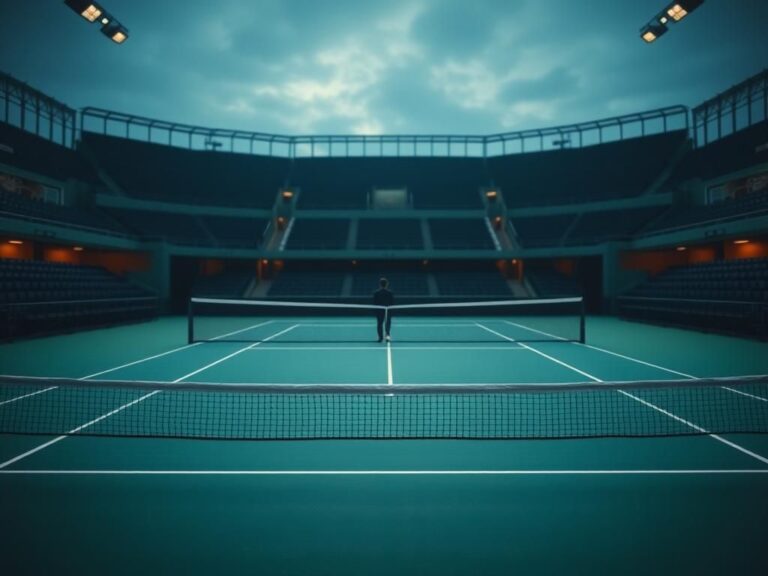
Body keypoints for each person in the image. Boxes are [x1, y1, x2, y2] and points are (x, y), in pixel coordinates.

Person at [373, 277, 393, 342]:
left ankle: (380, 338)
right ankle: (387, 336)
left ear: (380, 284)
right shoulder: (390, 293)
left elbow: (374, 303)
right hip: (387, 311)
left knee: (379, 324)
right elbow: (392, 302)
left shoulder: (376, 293)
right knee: (387, 324)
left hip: (379, 311)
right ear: (386, 284)